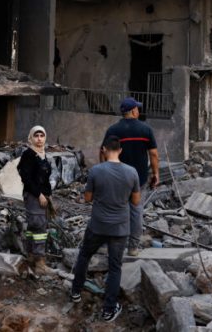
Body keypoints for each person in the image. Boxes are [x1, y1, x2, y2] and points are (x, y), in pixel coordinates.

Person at [70, 135, 141, 322]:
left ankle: (76, 291)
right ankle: (109, 309)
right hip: (120, 229)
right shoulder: (132, 172)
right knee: (115, 267)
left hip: (97, 225)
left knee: (84, 256)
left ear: (103, 150)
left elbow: (87, 198)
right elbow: (135, 201)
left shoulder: (96, 171)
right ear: (121, 150)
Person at [101, 96, 159, 256]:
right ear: (133, 111)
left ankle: (110, 246)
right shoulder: (145, 129)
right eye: (137, 108)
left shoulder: (113, 130)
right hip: (138, 179)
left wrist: (104, 171)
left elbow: (103, 152)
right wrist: (156, 174)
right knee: (136, 211)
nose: (138, 111)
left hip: (116, 178)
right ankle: (133, 247)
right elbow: (153, 154)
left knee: (114, 210)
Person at [17, 125, 55, 276]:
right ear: (31, 138)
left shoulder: (43, 154)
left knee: (35, 226)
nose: (39, 139)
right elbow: (26, 178)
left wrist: (48, 195)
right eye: (36, 136)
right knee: (39, 227)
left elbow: (44, 179)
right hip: (34, 196)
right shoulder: (29, 154)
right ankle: (40, 263)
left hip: (42, 196)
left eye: (42, 136)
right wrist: (39, 194)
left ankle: (31, 256)